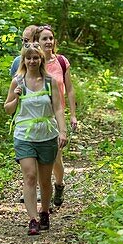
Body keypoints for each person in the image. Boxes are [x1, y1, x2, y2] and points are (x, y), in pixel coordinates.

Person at [4, 44, 67, 235]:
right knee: (30, 176)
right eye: (28, 58)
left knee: (45, 180)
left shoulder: (50, 81)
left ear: (41, 60)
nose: (32, 61)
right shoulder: (17, 82)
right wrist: (15, 98)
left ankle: (45, 211)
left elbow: (57, 108)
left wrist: (62, 131)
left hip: (47, 134)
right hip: (24, 135)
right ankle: (32, 219)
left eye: (36, 58)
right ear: (23, 60)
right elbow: (7, 109)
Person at [37, 25, 77, 208]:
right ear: (37, 42)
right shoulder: (32, 62)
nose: (48, 42)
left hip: (56, 115)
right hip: (36, 117)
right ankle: (45, 193)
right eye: (44, 39)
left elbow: (69, 89)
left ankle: (59, 184)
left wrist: (73, 116)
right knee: (39, 158)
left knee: (55, 158)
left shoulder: (61, 62)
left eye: (50, 38)